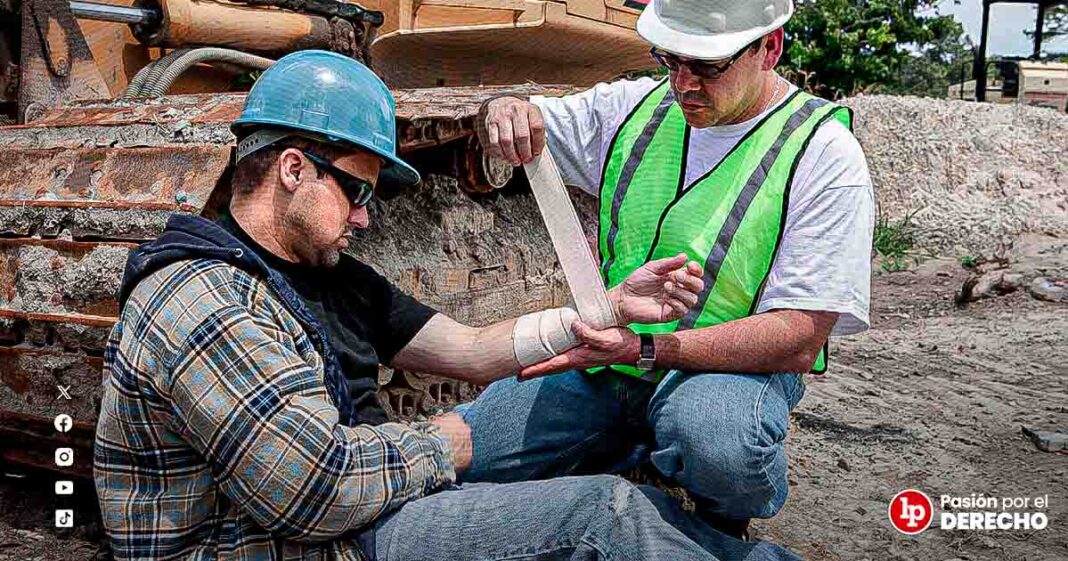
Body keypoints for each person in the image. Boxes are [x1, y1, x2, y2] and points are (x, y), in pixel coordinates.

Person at [93, 49, 800, 561]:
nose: (367, 218)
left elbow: (469, 351)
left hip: (352, 515)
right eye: (359, 190)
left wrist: (608, 307)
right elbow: (310, 492)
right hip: (291, 542)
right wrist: (451, 442)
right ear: (291, 168)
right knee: (600, 512)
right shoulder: (201, 299)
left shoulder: (334, 278)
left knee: (609, 500)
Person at [459, 0, 875, 538]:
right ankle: (627, 446)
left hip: (728, 372)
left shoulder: (822, 153)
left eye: (707, 66)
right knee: (480, 448)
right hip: (609, 361)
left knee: (718, 442)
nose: (684, 84)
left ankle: (721, 520)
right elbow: (526, 117)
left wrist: (646, 349)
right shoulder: (634, 110)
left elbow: (798, 336)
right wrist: (504, 107)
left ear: (769, 48)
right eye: (670, 60)